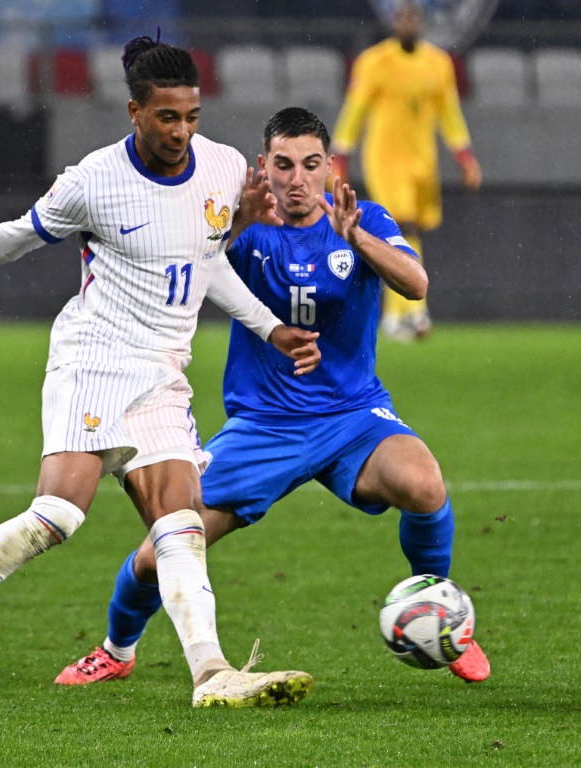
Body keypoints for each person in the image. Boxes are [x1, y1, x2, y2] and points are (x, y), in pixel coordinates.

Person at [0, 34, 322, 709]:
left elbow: (202, 259)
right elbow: (14, 236)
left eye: (191, 116)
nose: (182, 131)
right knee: (57, 515)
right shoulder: (95, 179)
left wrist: (270, 326)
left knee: (181, 522)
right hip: (96, 358)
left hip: (163, 372)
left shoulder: (222, 168)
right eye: (167, 117)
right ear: (135, 112)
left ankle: (213, 673)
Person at [55, 107, 491, 688]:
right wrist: (234, 226)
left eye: (311, 164)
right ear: (263, 167)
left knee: (424, 483)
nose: (297, 179)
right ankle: (116, 648)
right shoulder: (241, 226)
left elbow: (415, 284)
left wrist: (354, 235)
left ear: (329, 167)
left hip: (352, 416)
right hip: (264, 425)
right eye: (283, 165)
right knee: (167, 545)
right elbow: (182, 266)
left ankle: (441, 613)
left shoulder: (362, 220)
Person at [330, 0, 482, 341]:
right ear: (394, 23)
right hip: (384, 157)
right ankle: (414, 312)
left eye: (414, 18)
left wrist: (465, 157)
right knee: (401, 223)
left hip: (422, 160)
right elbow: (355, 111)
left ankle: (394, 317)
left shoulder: (438, 64)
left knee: (409, 231)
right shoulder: (375, 62)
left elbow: (450, 113)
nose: (408, 24)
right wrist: (340, 157)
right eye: (403, 18)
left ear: (421, 23)